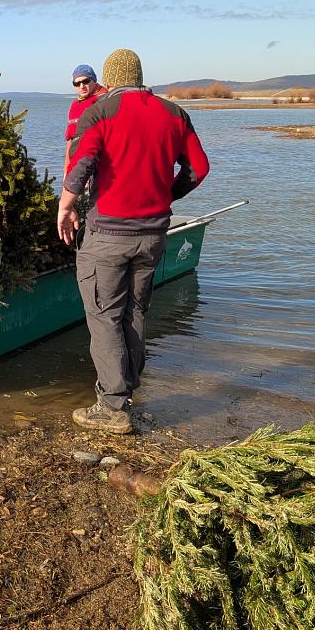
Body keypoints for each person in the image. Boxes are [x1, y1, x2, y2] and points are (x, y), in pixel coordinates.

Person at [56, 48, 209, 434]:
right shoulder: (174, 113)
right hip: (153, 235)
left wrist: (66, 207)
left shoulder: (100, 112)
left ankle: (111, 407)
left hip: (108, 234)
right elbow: (199, 168)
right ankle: (126, 394)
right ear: (141, 76)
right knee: (135, 312)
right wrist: (167, 195)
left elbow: (82, 164)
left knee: (105, 315)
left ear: (108, 78)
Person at [63, 64, 107, 175]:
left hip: (99, 167)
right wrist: (66, 172)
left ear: (94, 80)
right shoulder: (75, 106)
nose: (81, 86)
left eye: (86, 81)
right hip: (78, 167)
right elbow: (70, 140)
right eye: (77, 83)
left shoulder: (105, 101)